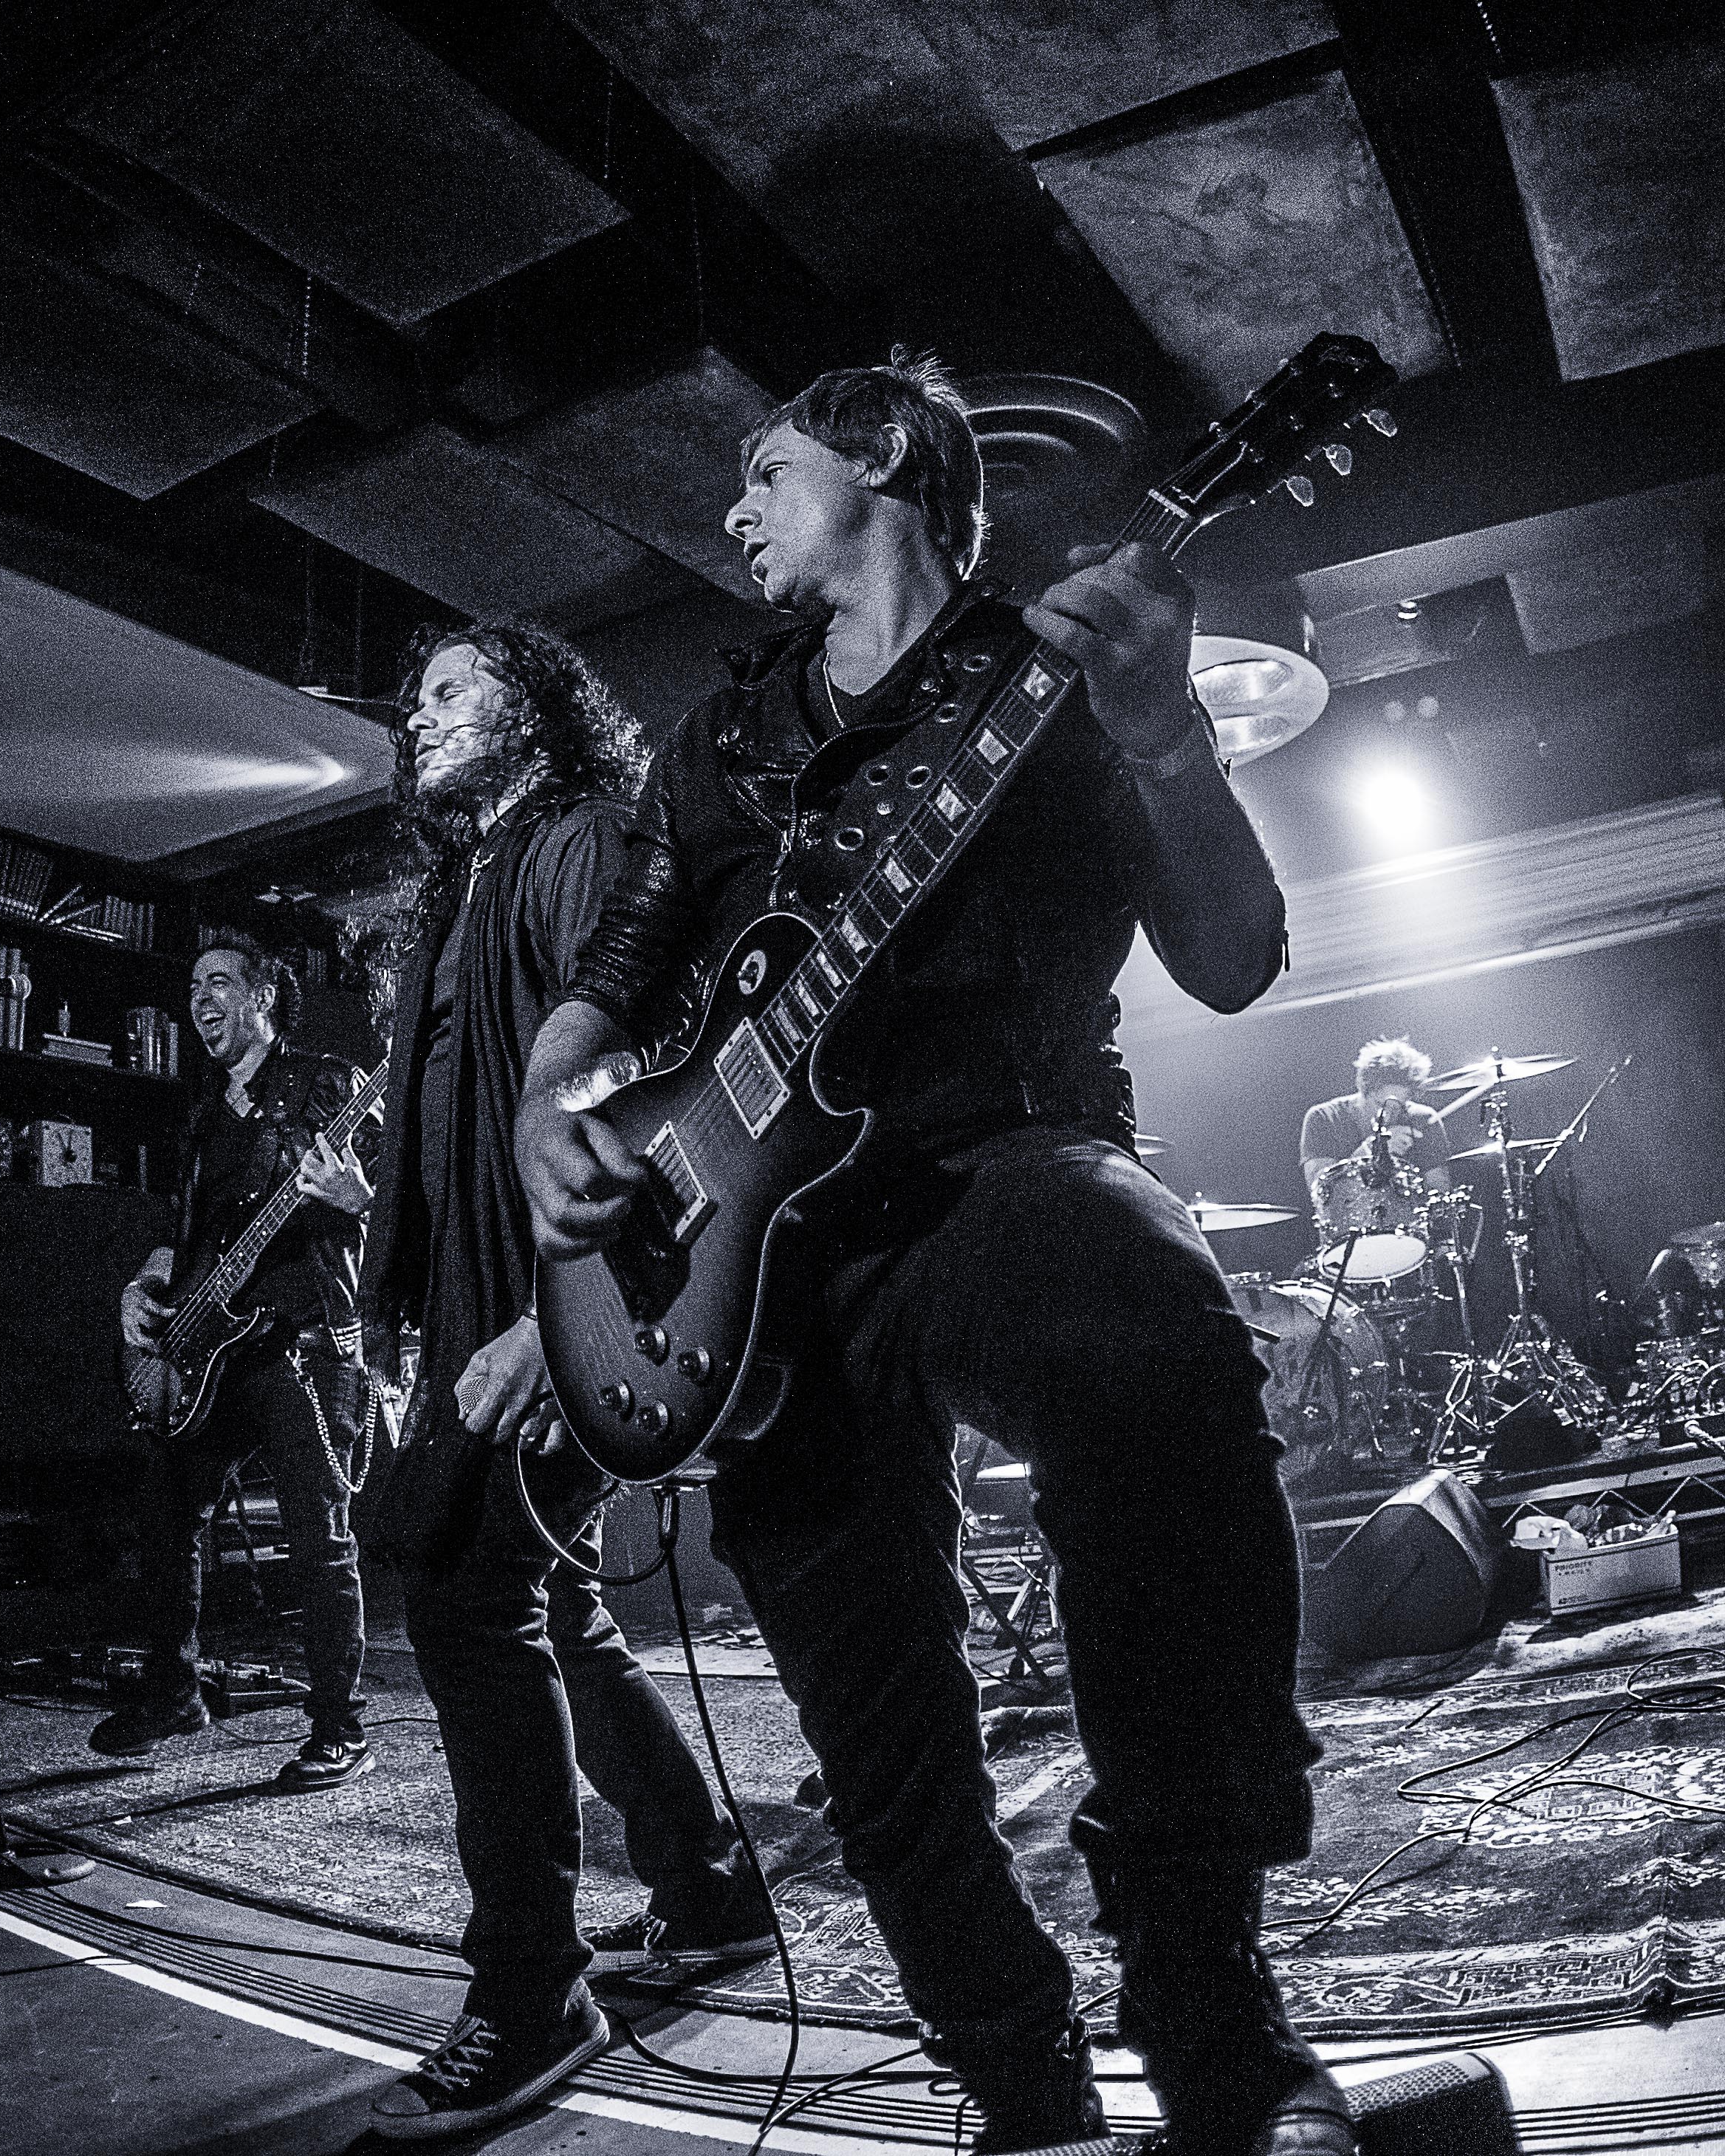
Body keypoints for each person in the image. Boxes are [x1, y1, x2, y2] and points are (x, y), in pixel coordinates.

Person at [517, 354, 1351, 2156]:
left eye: (763, 470)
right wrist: (546, 1109)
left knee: (1151, 1336)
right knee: (868, 1709)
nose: (729, 509)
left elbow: (1228, 956)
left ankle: (1208, 2016)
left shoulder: (1048, 670)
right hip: (743, 1258)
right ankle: (1016, 2085)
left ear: (882, 454)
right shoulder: (716, 738)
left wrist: (1162, 732)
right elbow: (619, 973)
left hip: (1000, 1156)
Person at [356, 622, 775, 2141]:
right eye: (414, 699)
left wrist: (558, 1316)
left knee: (467, 1601)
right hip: (479, 1300)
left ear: (533, 708)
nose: (418, 716)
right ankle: (709, 1885)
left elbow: (648, 1073)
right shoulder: (465, 883)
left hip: (565, 1297)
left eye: (448, 689)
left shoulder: (584, 838)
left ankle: (531, 1990)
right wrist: (407, 1309)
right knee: (544, 1606)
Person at [99, 928, 375, 1793]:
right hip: (210, 1348)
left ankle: (340, 1728)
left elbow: (401, 1205)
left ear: (264, 996)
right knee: (164, 1513)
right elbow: (179, 1237)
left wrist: (359, 1200)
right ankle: (172, 1691)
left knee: (317, 1538)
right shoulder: (201, 1115)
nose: (199, 1000)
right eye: (192, 988)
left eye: (217, 982)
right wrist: (142, 1289)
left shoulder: (329, 1085)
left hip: (299, 1340)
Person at [1299, 1036, 1452, 1248]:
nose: (1389, 1113)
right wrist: (1372, 1149)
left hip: (1410, 1242)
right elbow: (1319, 1189)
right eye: (1381, 1104)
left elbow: (1440, 1190)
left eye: (1400, 1105)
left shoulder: (1423, 1119)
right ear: (1364, 1089)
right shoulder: (1324, 1117)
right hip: (1347, 1244)